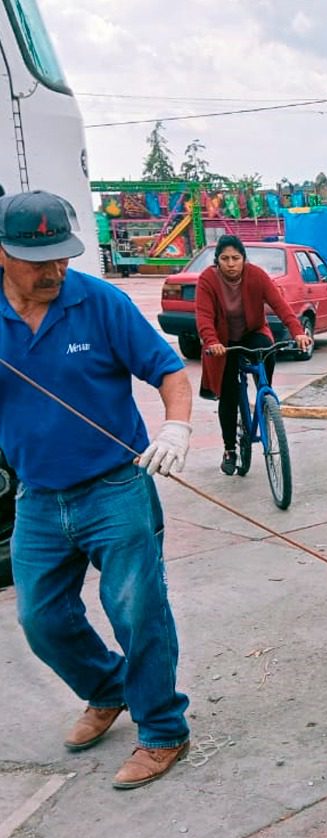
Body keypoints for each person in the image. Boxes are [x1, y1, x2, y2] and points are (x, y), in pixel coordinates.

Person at [0, 190, 192, 789]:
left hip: (115, 487)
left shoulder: (98, 301)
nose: (56, 270)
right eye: (40, 260)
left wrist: (176, 426)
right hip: (37, 497)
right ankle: (107, 689)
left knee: (137, 609)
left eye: (63, 255)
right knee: (41, 618)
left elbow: (168, 370)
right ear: (3, 255)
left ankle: (162, 730)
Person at [194, 235, 311, 475]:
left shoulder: (256, 275)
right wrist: (212, 341)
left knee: (266, 351)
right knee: (228, 394)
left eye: (236, 258)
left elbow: (280, 306)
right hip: (222, 341)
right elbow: (204, 317)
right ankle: (230, 449)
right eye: (225, 258)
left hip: (252, 332)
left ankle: (264, 400)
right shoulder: (208, 279)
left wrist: (298, 332)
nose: (230, 263)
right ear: (217, 261)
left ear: (244, 260)